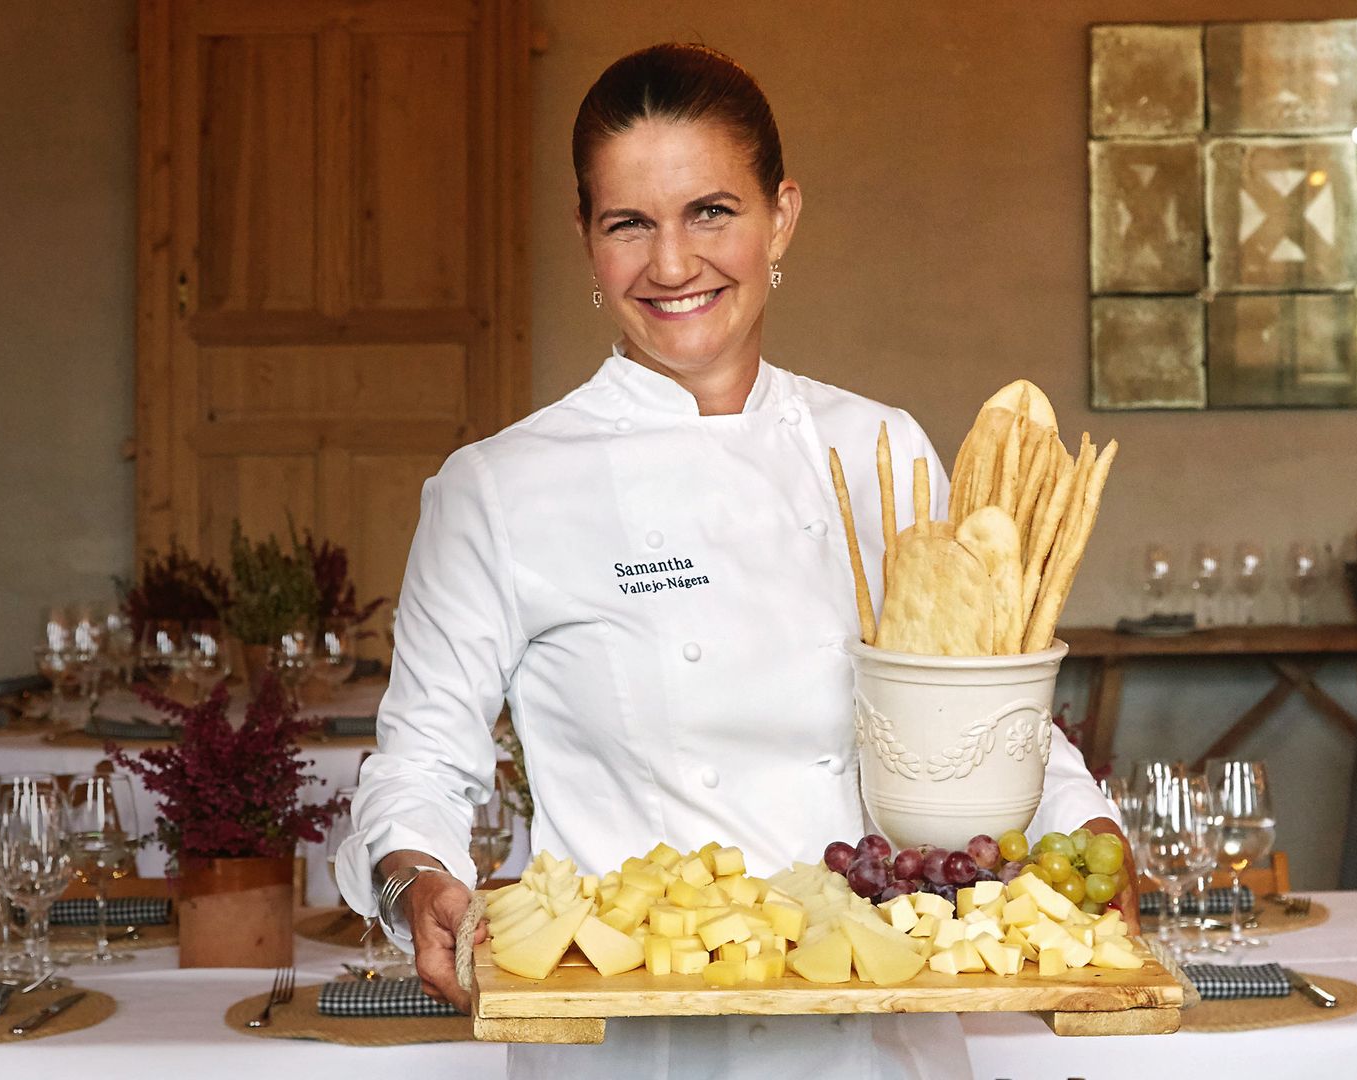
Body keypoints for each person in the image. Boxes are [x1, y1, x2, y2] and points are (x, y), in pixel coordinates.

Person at [337, 42, 1124, 1079]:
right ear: (586, 239)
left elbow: (980, 712)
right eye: (630, 223)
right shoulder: (500, 488)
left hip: (876, 1041)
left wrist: (1092, 834)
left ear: (782, 216)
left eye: (711, 212)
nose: (672, 265)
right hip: (634, 1050)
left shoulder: (881, 454)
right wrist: (413, 881)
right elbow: (419, 767)